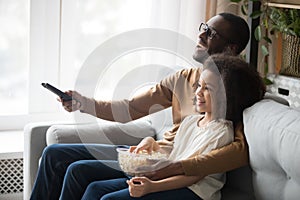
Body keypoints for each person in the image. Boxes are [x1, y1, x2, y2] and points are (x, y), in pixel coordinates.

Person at [30, 13, 252, 200]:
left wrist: (173, 168)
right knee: (54, 154)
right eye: (203, 28)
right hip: (156, 155)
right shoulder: (182, 78)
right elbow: (131, 108)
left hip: (172, 165)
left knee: (80, 173)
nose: (200, 34)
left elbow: (239, 150)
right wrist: (83, 103)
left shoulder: (236, 90)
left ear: (231, 49)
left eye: (211, 33)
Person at [80, 54, 265, 200]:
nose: (198, 92)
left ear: (227, 97)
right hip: (169, 180)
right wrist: (151, 142)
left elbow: (194, 176)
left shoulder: (221, 132)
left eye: (208, 89)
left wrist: (152, 186)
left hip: (193, 192)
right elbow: (173, 153)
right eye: (199, 86)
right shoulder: (192, 121)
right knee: (95, 188)